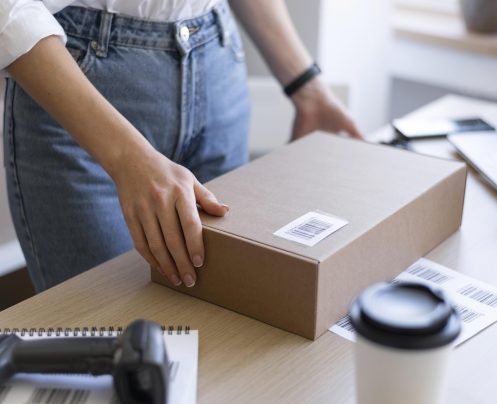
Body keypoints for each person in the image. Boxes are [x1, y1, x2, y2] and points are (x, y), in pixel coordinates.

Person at [1, 0, 362, 293]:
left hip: (218, 68)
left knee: (232, 322)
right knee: (113, 345)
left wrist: (306, 85)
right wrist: (127, 157)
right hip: (83, 88)